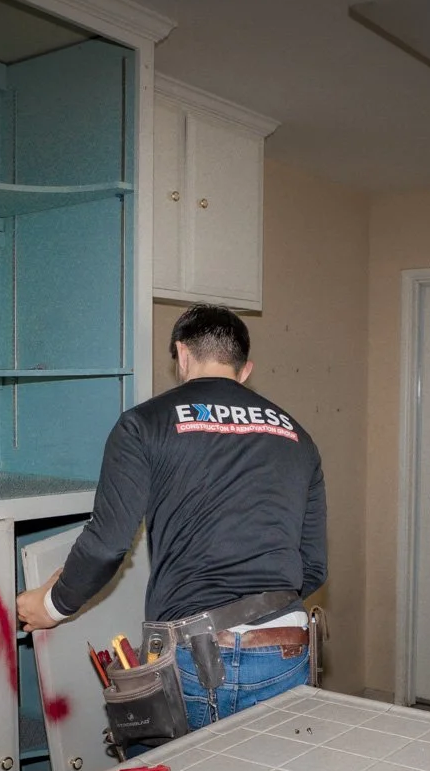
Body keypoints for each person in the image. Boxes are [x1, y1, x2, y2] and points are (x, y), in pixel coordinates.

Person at [16, 304, 326, 730]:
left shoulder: (144, 425)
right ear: (246, 369)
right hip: (287, 644)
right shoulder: (297, 436)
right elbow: (313, 565)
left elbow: (107, 544)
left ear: (181, 355)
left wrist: (50, 606)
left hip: (201, 653)